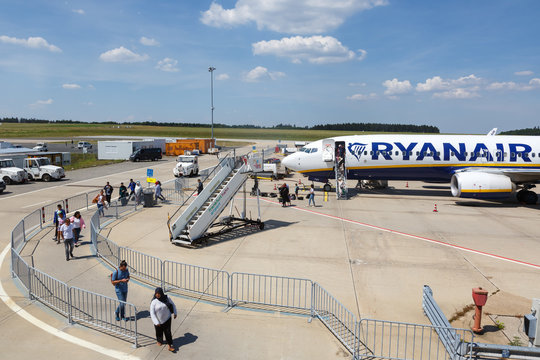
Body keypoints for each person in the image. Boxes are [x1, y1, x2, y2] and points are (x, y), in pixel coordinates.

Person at [150, 287, 177, 352]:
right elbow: (152, 313)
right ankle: (159, 340)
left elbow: (173, 305)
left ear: (161, 293)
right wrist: (156, 322)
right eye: (156, 293)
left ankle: (170, 345)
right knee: (159, 331)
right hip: (158, 320)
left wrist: (175, 313)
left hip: (167, 319)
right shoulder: (154, 302)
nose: (157, 295)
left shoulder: (167, 298)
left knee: (168, 332)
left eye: (159, 293)